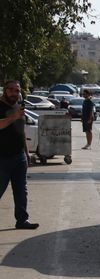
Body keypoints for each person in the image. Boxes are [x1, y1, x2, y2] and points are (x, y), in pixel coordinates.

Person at [0, 80, 39, 229]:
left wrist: (26, 151)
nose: (14, 93)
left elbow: (21, 131)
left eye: (17, 91)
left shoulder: (17, 107)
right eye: (11, 90)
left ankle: (22, 220)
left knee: (21, 190)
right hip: (2, 157)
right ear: (5, 91)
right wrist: (13, 117)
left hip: (18, 156)